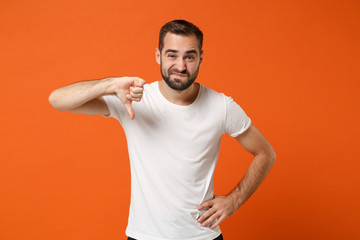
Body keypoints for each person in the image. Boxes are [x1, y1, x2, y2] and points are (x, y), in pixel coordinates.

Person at [49, 20, 276, 240]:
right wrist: (110, 84)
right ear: (158, 55)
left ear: (201, 58)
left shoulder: (221, 106)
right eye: (172, 55)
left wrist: (234, 200)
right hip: (145, 236)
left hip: (202, 236)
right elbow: (57, 100)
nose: (180, 65)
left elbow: (265, 153)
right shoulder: (133, 99)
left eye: (189, 56)